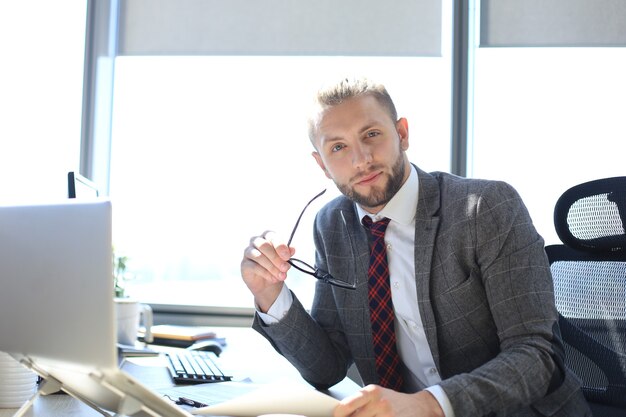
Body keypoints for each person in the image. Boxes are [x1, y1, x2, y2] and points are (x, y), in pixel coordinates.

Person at [240, 77, 590, 417]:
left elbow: (537, 356)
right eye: (338, 147)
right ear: (322, 165)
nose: (360, 160)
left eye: (372, 135)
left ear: (402, 134)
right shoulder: (333, 225)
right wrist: (271, 296)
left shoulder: (485, 208)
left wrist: (430, 405)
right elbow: (327, 368)